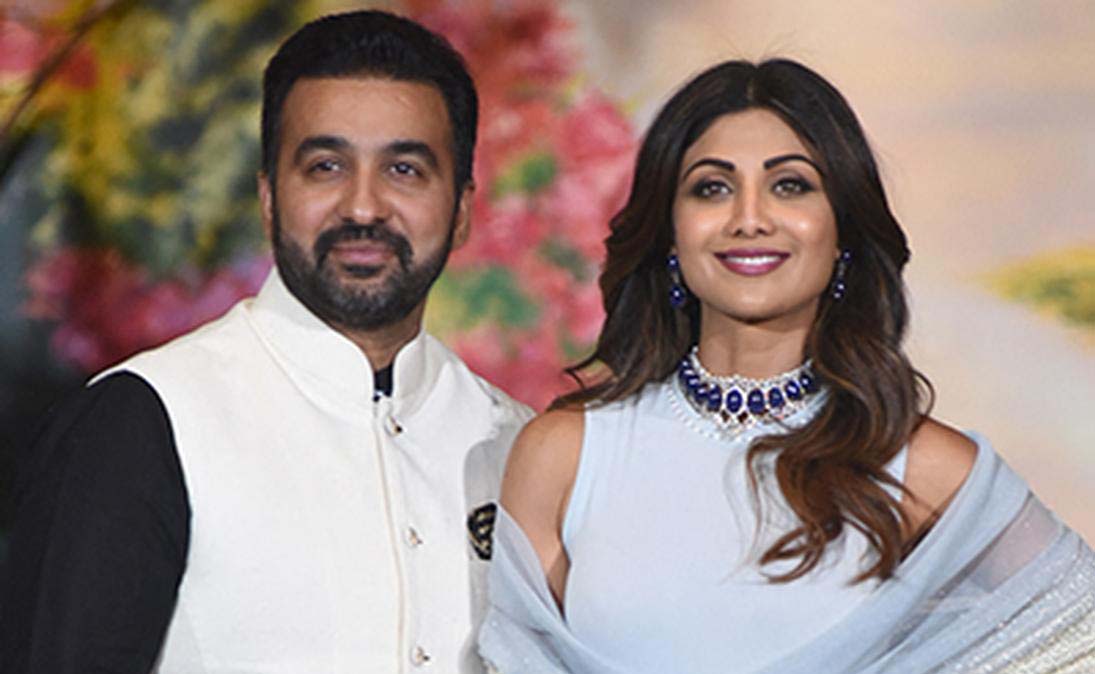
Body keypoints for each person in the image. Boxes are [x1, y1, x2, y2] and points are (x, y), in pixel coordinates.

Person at [478, 59, 1095, 673]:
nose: (750, 219)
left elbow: (1078, 633)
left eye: (790, 185)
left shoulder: (921, 466)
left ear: (843, 230)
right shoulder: (566, 454)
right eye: (712, 188)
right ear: (669, 233)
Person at [0, 10, 531, 673]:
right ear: (269, 198)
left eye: (404, 169)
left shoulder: (516, 444)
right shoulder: (147, 419)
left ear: (462, 210)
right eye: (325, 166)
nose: (363, 207)